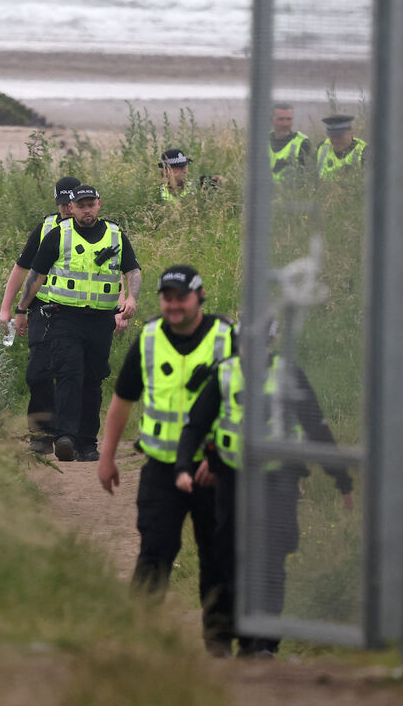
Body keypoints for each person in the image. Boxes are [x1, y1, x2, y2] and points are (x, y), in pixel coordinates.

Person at [174, 335, 354, 658]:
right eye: (244, 343)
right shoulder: (225, 374)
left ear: (271, 342)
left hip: (280, 479)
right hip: (232, 478)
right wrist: (185, 467)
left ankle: (263, 644)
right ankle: (229, 636)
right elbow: (196, 425)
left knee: (272, 560)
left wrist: (341, 478)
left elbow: (317, 427)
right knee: (229, 556)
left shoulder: (288, 373)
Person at [95, 265, 237, 653]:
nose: (173, 306)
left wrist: (222, 459)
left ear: (199, 297)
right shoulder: (150, 338)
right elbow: (122, 400)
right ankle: (139, 636)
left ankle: (220, 642)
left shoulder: (226, 338)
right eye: (167, 297)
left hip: (212, 470)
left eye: (181, 297)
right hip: (160, 468)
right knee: (155, 551)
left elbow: (244, 404)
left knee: (217, 557)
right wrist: (107, 457)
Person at [15, 185, 142, 462]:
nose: (86, 210)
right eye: (80, 205)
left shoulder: (115, 234)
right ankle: (65, 437)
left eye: (90, 204)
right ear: (71, 208)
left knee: (93, 380)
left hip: (100, 320)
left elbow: (132, 269)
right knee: (69, 374)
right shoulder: (59, 234)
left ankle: (87, 443)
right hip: (64, 317)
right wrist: (21, 308)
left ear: (99, 204)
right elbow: (35, 275)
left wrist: (131, 298)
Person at [0, 175, 82, 454]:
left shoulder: (96, 229)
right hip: (42, 310)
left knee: (73, 372)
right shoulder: (47, 226)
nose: (68, 210)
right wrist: (7, 309)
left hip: (79, 313)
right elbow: (21, 268)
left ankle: (71, 435)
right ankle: (41, 436)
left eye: (71, 203)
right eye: (63, 204)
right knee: (39, 371)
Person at [269, 102, 312, 184]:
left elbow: (307, 177)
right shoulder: (263, 141)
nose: (285, 124)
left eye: (289, 119)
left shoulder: (303, 143)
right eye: (280, 119)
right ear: (271, 120)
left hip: (290, 194)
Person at [316, 114, 367, 180]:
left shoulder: (364, 153)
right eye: (332, 136)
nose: (335, 140)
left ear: (351, 131)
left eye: (339, 136)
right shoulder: (322, 148)